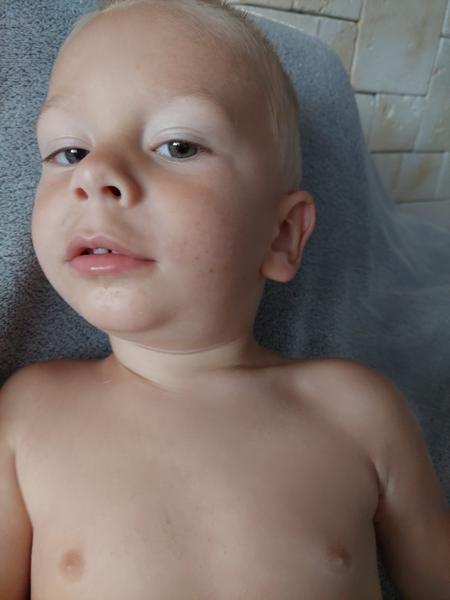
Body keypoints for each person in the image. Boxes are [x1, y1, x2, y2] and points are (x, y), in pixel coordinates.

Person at [0, 0, 448, 598]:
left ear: (282, 235)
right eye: (69, 152)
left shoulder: (358, 410)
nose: (94, 174)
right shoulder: (29, 414)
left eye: (177, 146)